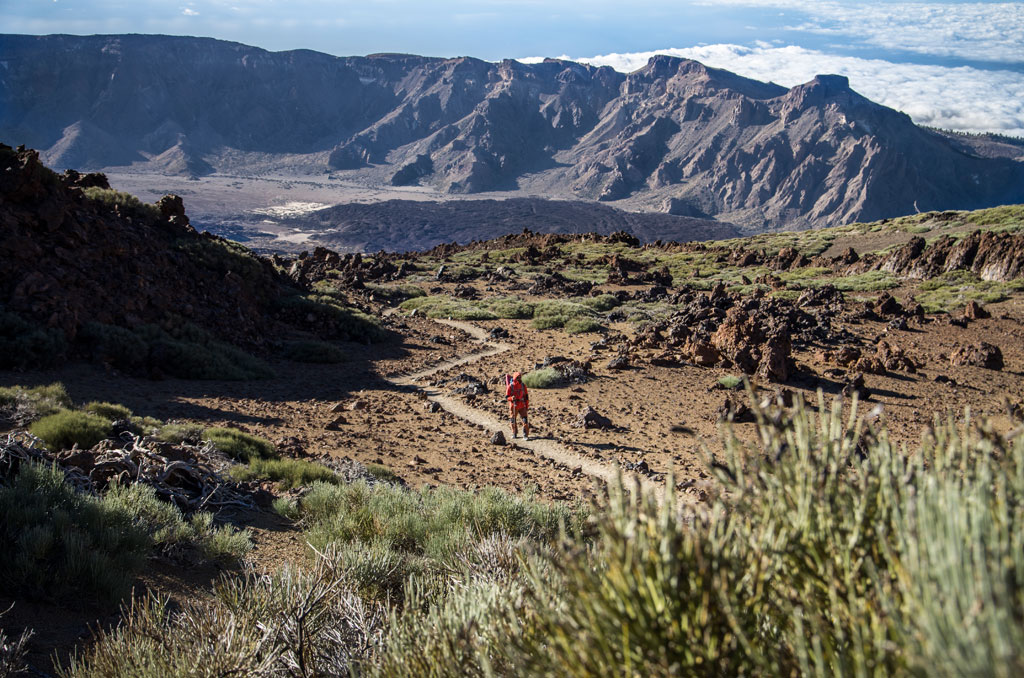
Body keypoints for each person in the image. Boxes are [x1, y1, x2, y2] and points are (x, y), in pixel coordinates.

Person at [505, 371, 530, 440]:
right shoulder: (510, 386)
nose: (519, 379)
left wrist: (527, 406)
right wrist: (511, 398)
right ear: (515, 378)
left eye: (520, 377)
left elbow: (526, 397)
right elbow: (506, 397)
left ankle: (525, 435)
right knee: (513, 420)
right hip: (514, 405)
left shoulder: (523, 386)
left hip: (522, 405)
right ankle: (514, 433)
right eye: (518, 377)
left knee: (525, 420)